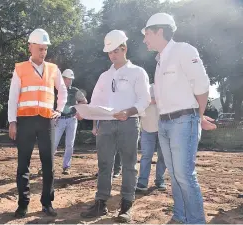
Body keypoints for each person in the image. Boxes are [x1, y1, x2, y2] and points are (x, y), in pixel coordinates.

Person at [142, 12, 217, 224]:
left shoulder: (184, 50)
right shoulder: (159, 61)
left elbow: (202, 87)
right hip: (165, 122)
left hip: (184, 120)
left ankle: (195, 221)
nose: (145, 39)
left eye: (147, 34)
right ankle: (180, 216)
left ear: (160, 31)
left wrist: (198, 116)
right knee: (174, 174)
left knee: (184, 174)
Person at [80, 30, 151, 223]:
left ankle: (126, 205)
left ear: (124, 48)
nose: (112, 55)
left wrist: (128, 112)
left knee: (128, 165)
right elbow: (95, 102)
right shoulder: (104, 76)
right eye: (110, 52)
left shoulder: (137, 72)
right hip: (106, 125)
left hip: (129, 123)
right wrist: (89, 116)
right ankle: (101, 203)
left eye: (116, 51)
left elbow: (145, 99)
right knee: (104, 165)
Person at [8, 28, 67, 218]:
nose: (43, 52)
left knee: (48, 163)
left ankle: (47, 203)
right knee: (23, 164)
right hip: (25, 120)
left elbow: (63, 91)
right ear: (30, 47)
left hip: (46, 120)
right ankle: (23, 204)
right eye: (40, 48)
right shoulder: (20, 69)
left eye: (45, 49)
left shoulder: (53, 69)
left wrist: (59, 110)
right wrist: (12, 122)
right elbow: (12, 98)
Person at [52, 69, 87, 175]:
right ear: (62, 78)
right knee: (53, 143)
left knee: (69, 144)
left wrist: (80, 113)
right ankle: (48, 165)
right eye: (67, 79)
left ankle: (66, 166)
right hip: (58, 120)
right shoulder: (55, 90)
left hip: (72, 119)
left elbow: (84, 102)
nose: (69, 81)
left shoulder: (75, 91)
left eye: (71, 79)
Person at [136, 84, 166, 192]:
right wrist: (152, 100)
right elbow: (138, 104)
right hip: (147, 127)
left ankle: (160, 180)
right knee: (146, 156)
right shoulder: (145, 88)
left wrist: (155, 100)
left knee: (163, 156)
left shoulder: (168, 88)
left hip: (164, 128)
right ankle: (142, 182)